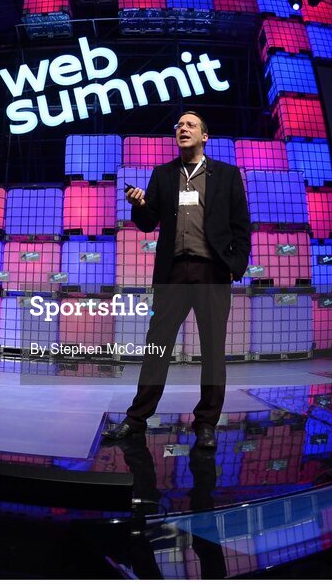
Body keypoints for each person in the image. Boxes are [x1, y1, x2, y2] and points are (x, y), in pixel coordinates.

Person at [103, 111, 251, 449]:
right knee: (157, 346)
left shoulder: (226, 175)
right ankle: (137, 418)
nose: (182, 129)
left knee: (213, 349)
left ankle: (206, 424)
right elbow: (147, 222)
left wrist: (235, 266)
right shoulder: (163, 174)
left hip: (212, 272)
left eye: (191, 125)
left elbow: (242, 226)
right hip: (173, 272)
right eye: (179, 126)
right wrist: (139, 205)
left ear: (205, 136)